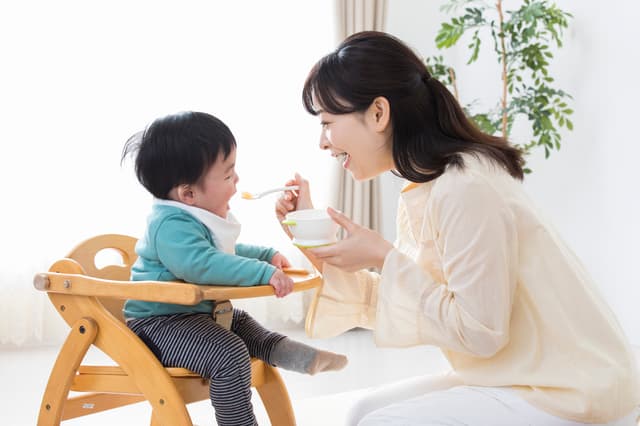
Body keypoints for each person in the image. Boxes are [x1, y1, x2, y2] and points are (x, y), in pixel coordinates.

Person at [275, 31, 640, 425]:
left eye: (328, 122)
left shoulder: (466, 186)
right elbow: (410, 299)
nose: (323, 142)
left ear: (379, 113)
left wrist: (385, 257)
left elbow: (481, 332)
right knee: (364, 412)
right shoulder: (427, 184)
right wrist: (313, 239)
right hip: (514, 373)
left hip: (568, 388)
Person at [121, 111, 348, 426]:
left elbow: (222, 252)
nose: (237, 181)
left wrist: (264, 256)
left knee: (244, 326)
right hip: (159, 326)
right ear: (188, 193)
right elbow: (202, 264)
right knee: (228, 353)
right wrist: (262, 273)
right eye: (228, 175)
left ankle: (300, 357)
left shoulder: (191, 217)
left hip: (193, 317)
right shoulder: (169, 224)